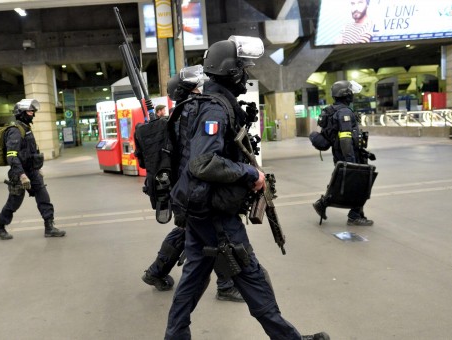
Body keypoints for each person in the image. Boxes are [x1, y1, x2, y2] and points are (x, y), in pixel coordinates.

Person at [164, 36, 329, 340]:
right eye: (244, 67)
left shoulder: (213, 103)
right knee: (250, 274)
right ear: (231, 70)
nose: (248, 73)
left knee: (193, 279)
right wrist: (249, 173)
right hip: (212, 212)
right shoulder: (214, 109)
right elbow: (202, 163)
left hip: (199, 210)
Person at [141, 66, 244, 303]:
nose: (202, 89)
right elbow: (199, 157)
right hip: (192, 188)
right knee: (216, 235)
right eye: (197, 87)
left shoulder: (183, 113)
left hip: (185, 188)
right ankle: (226, 285)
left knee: (191, 232)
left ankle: (156, 272)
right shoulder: (192, 113)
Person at [0, 99, 65, 240]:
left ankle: (49, 227)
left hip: (32, 171)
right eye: (30, 111)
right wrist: (21, 175)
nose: (33, 114)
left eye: (33, 111)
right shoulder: (14, 131)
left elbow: (30, 152)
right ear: (21, 113)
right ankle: (0, 226)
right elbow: (12, 156)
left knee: (43, 196)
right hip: (19, 173)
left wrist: (37, 169)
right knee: (14, 202)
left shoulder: (26, 128)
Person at [313, 80, 374, 226]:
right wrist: (351, 161)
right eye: (351, 93)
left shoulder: (333, 109)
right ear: (346, 95)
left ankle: (325, 204)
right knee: (359, 183)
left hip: (343, 153)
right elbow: (346, 138)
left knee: (343, 182)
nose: (353, 95)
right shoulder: (345, 112)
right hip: (348, 154)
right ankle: (354, 215)